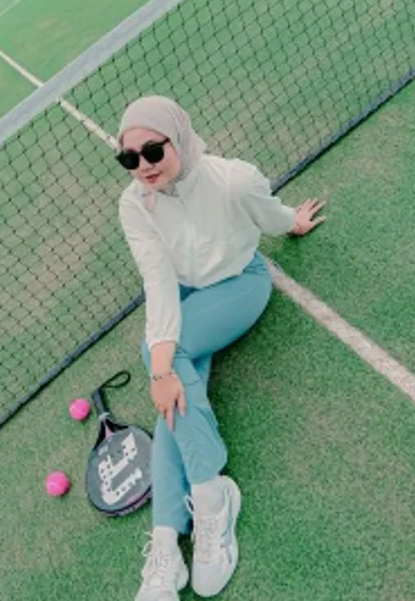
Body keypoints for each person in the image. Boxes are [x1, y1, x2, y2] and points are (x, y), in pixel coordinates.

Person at [116, 96, 326, 600]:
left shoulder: (232, 179)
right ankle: (168, 541)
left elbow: (268, 215)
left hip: (238, 284)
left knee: (162, 362)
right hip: (184, 296)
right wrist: (162, 369)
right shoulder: (134, 205)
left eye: (152, 151)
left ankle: (210, 498)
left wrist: (292, 223)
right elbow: (158, 282)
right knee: (168, 379)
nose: (143, 166)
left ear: (179, 139)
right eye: (129, 158)